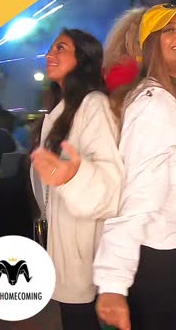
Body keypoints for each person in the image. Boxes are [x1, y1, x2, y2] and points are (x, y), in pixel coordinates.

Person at [95, 4, 176, 330]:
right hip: (154, 245)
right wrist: (113, 283)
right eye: (168, 29)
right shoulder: (153, 104)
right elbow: (136, 194)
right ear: (151, 45)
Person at [30, 28, 124, 330]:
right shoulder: (60, 110)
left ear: (83, 58)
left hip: (81, 239)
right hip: (63, 235)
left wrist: (72, 177)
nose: (49, 55)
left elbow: (111, 181)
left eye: (60, 48)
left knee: (78, 319)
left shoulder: (94, 104)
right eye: (50, 49)